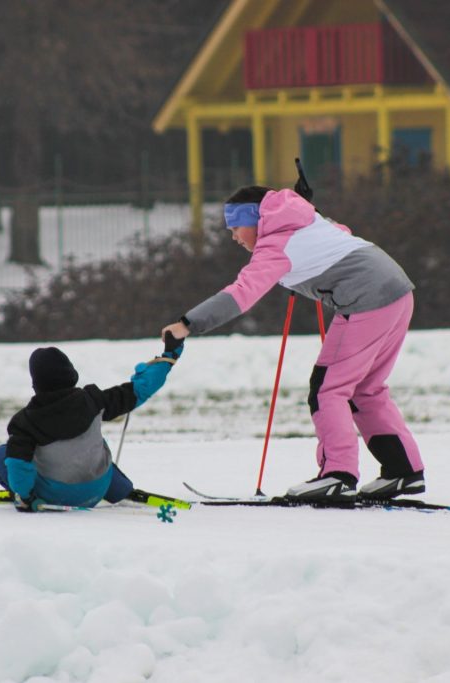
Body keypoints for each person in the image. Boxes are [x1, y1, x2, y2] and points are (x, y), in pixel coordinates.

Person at [161, 186, 424, 503]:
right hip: (398, 292)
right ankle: (403, 472)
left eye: (236, 227)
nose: (234, 237)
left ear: (257, 220)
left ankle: (337, 476)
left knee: (328, 389)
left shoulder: (275, 245)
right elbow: (340, 233)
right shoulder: (303, 219)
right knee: (366, 389)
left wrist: (188, 323)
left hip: (365, 300)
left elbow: (241, 294)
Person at [0, 336, 183, 511]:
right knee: (96, 448)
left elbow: (17, 464)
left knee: (1, 455)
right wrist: (169, 355)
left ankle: (26, 496)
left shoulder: (25, 422)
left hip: (54, 496)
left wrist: (25, 498)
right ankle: (121, 490)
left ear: (36, 382)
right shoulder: (93, 400)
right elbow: (140, 389)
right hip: (98, 490)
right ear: (71, 373)